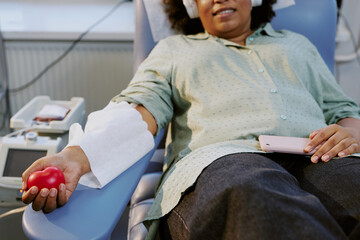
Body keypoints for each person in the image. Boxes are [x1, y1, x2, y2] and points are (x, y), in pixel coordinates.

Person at [22, 0, 360, 239]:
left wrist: (350, 133)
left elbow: (343, 109)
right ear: (190, 6)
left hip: (322, 156)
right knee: (251, 199)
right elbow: (141, 109)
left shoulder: (297, 46)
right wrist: (76, 156)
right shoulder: (175, 50)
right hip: (226, 161)